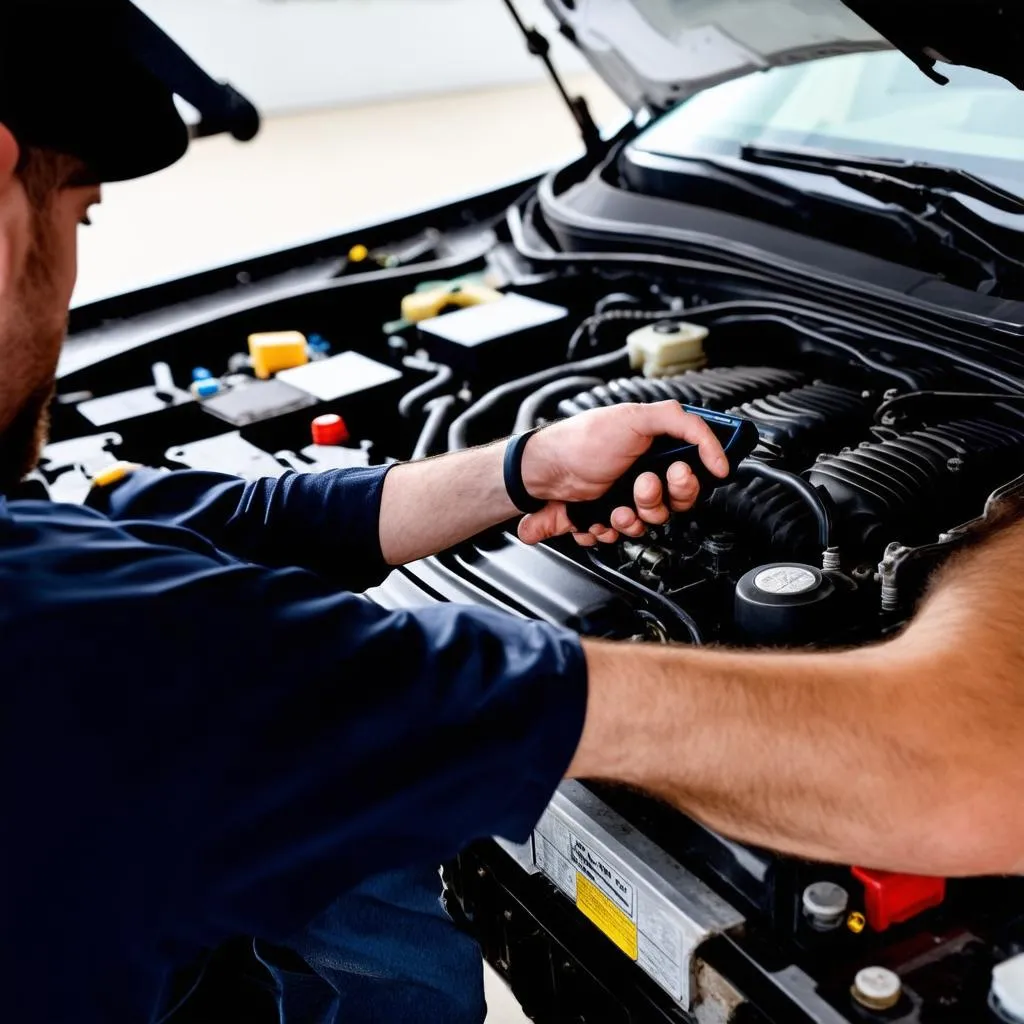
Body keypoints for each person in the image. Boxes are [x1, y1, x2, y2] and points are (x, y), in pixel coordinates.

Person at [2, 5, 1023, 1024]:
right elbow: (955, 766)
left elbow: (173, 521)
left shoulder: (44, 558)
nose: (72, 262)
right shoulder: (99, 645)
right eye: (79, 214)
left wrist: (524, 467)